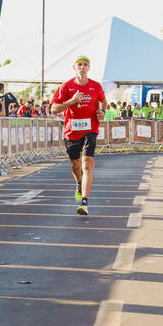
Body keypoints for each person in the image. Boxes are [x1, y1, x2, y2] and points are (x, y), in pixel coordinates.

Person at [51, 55, 107, 216]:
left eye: (85, 64)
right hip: (71, 131)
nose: (82, 67)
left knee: (86, 164)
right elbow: (54, 109)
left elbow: (104, 101)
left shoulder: (95, 86)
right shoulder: (66, 86)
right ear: (74, 68)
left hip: (91, 128)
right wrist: (71, 102)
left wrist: (102, 111)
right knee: (75, 165)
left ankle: (84, 201)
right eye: (79, 65)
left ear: (89, 68)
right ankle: (79, 183)